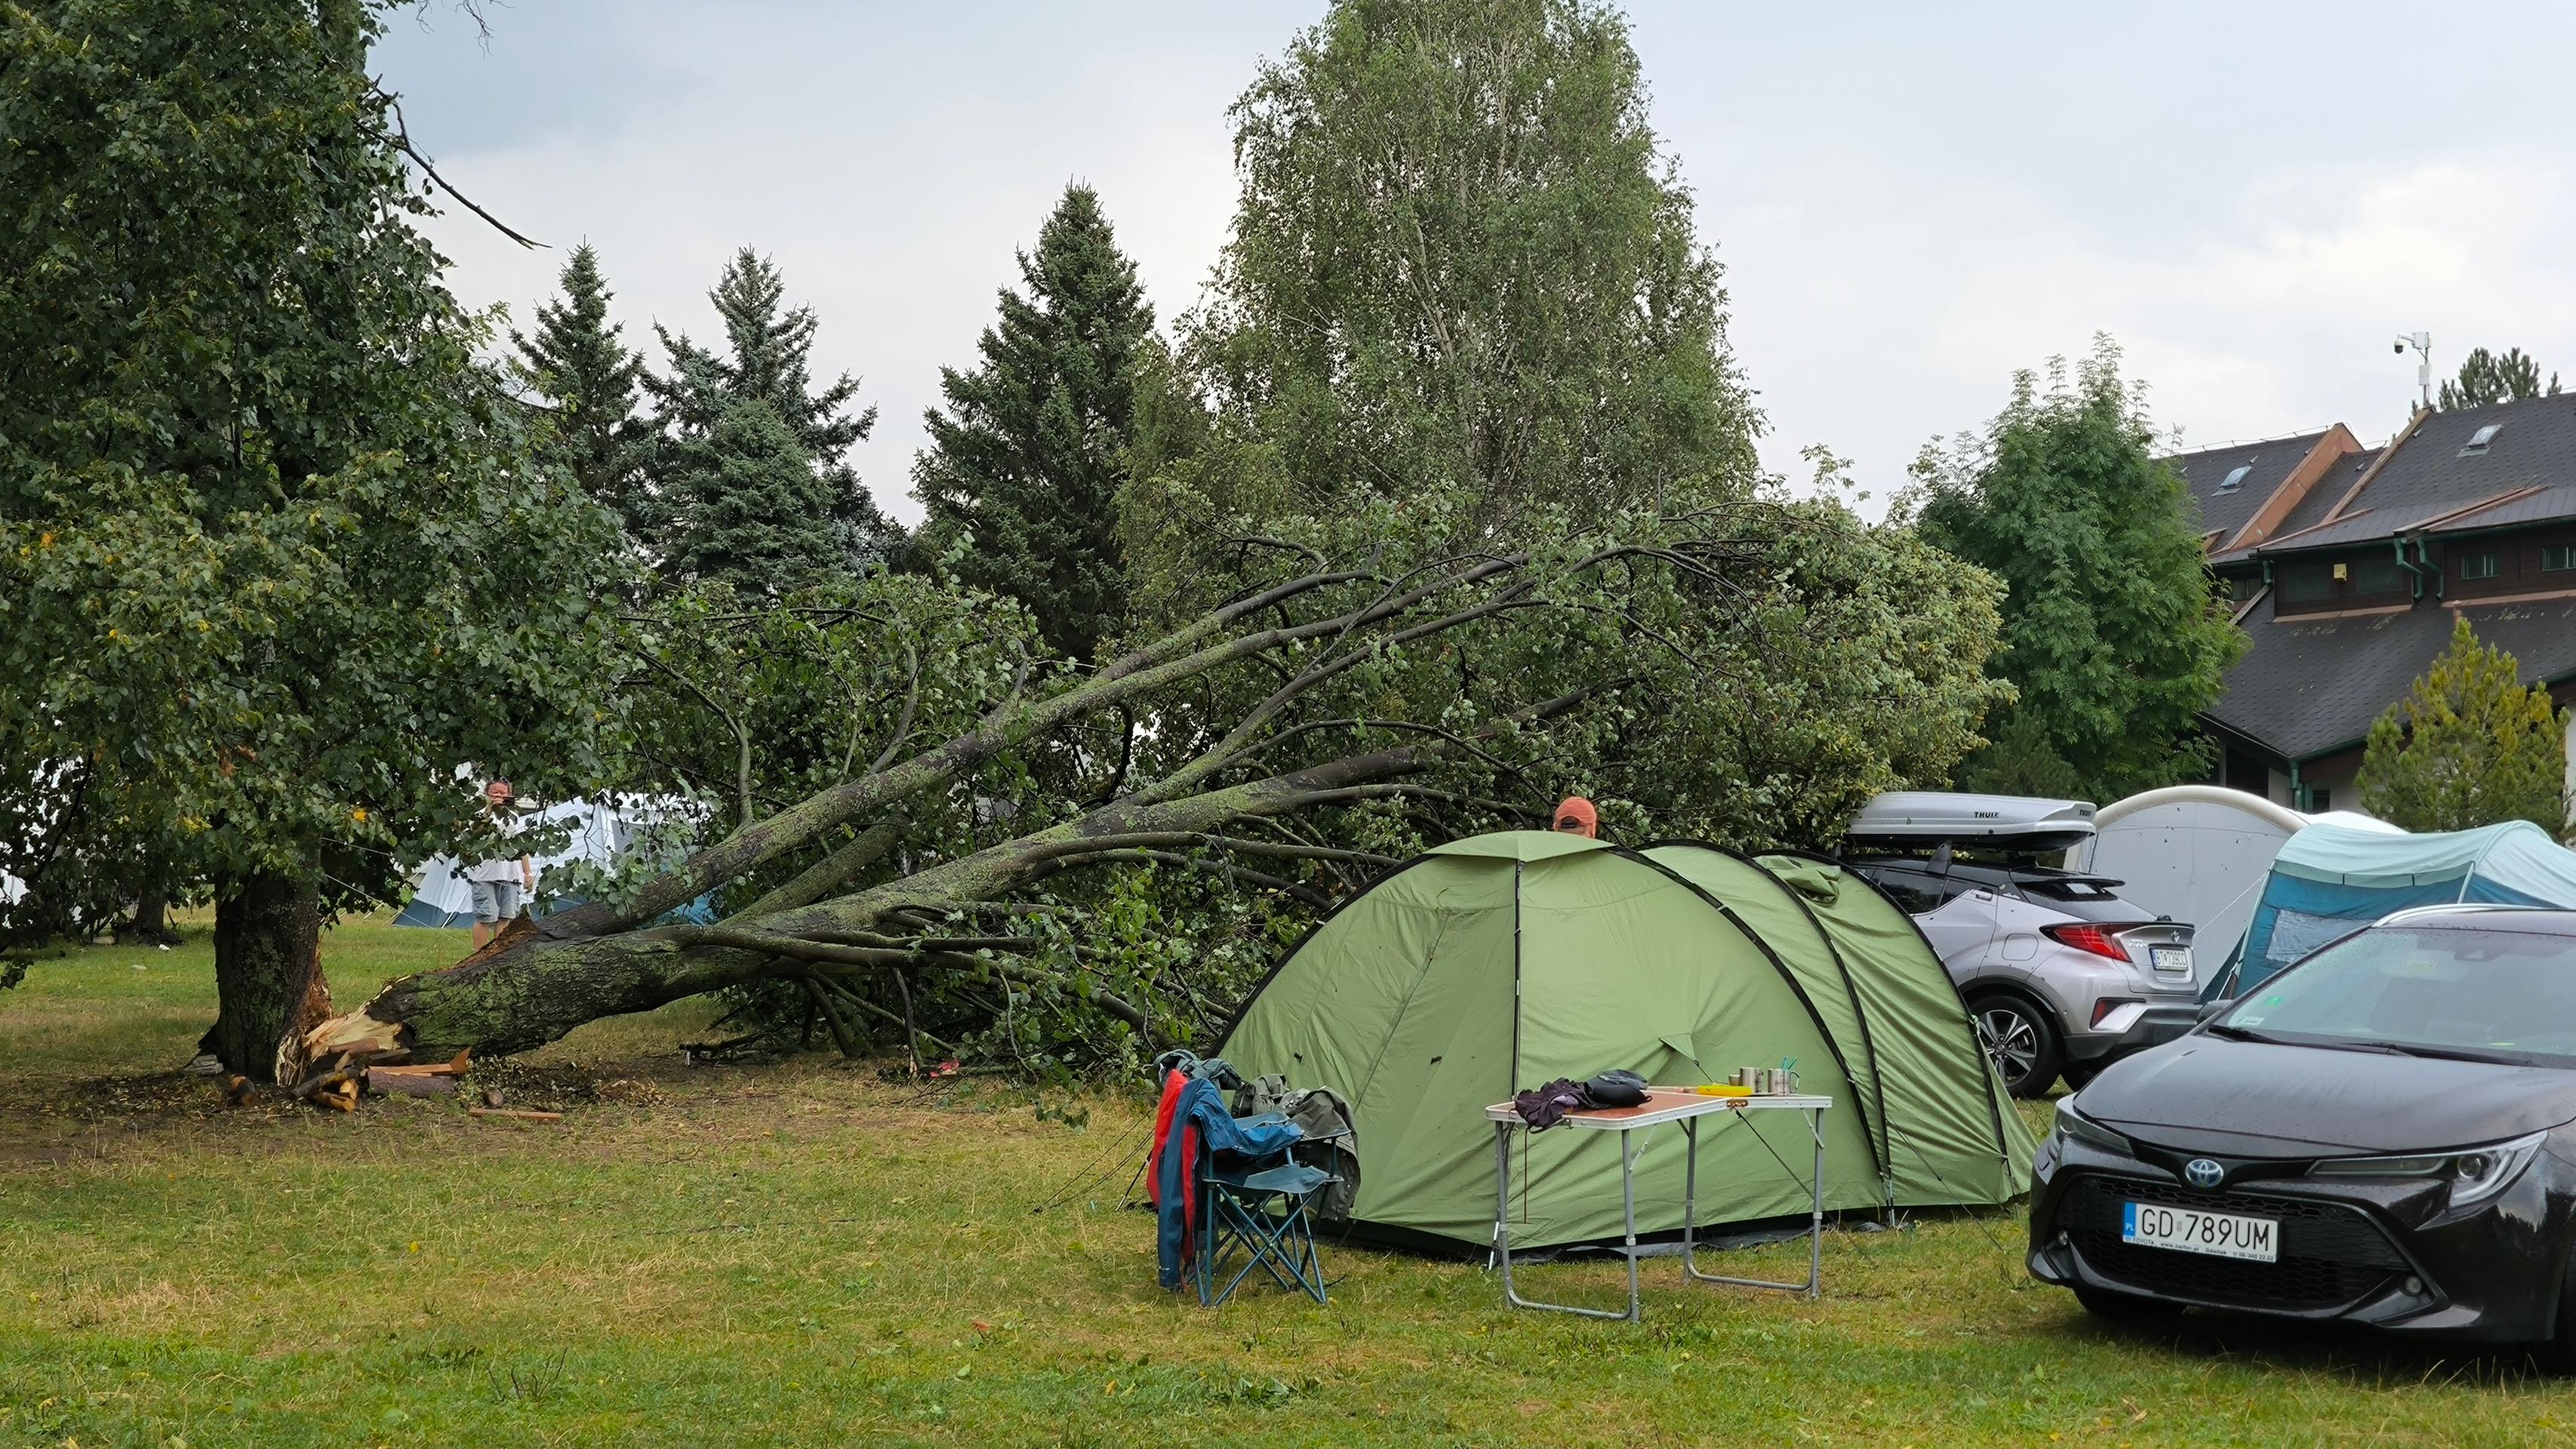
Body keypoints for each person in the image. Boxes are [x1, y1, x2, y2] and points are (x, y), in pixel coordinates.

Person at [466, 779, 534, 951]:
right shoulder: (480, 815)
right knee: (486, 917)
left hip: (511, 875)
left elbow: (521, 848)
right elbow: (475, 832)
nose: (498, 796)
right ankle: (478, 956)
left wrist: (527, 874)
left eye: (502, 793)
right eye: (495, 793)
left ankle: (498, 955)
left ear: (509, 796)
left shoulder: (514, 818)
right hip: (485, 875)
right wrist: (490, 810)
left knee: (506, 917)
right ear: (486, 795)